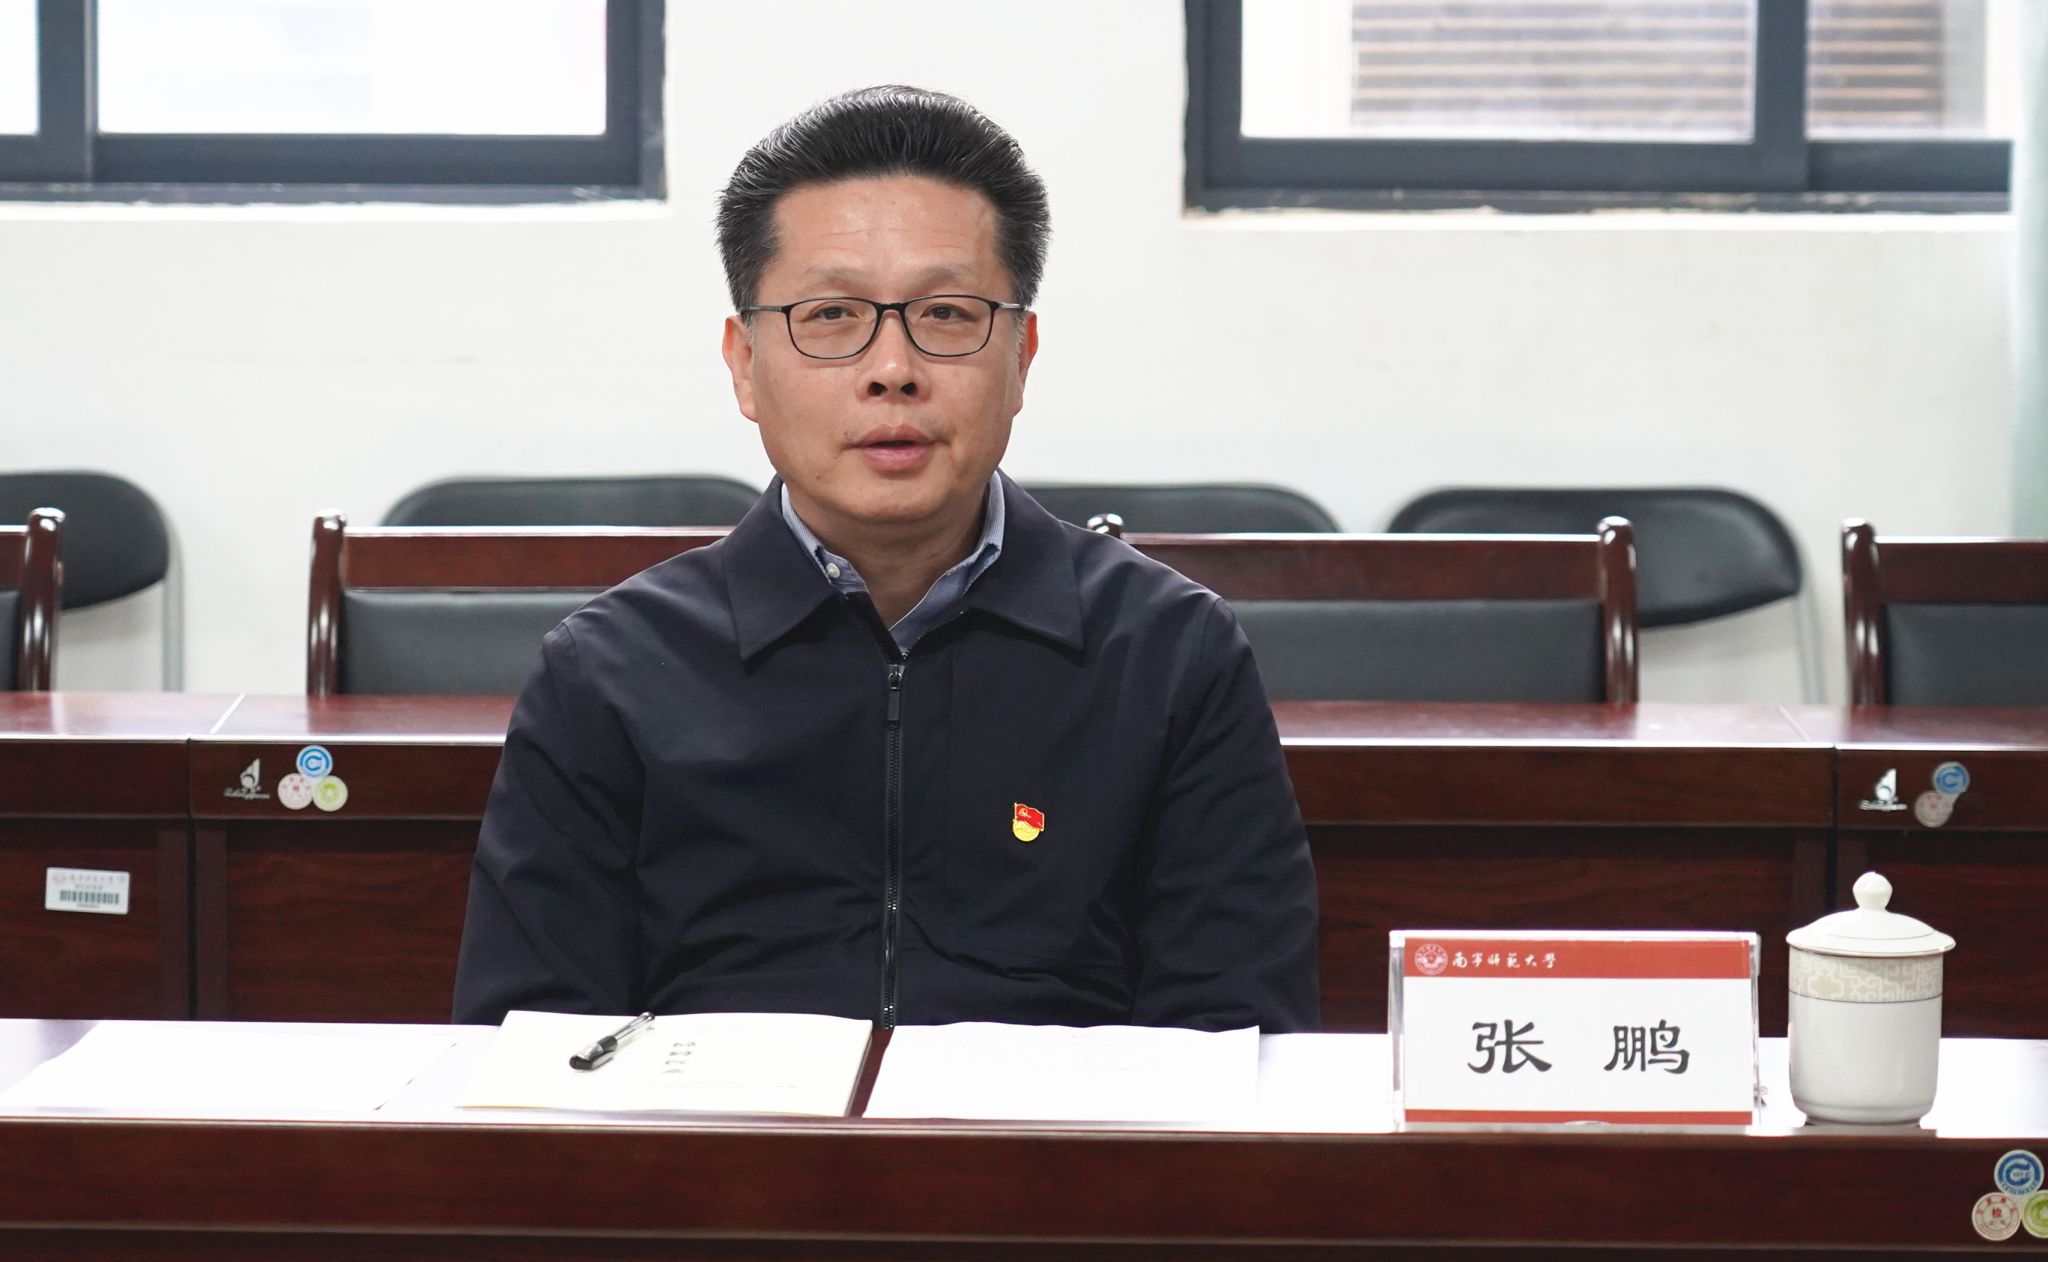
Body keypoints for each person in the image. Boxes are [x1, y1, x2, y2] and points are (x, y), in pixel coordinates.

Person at [452, 85, 1318, 1032]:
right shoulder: (610, 669)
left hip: (1052, 1131)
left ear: (1022, 356)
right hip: (712, 1128)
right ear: (744, 365)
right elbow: (529, 1040)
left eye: (945, 313)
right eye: (831, 315)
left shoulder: (1170, 653)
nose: (892, 369)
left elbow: (1238, 1034)